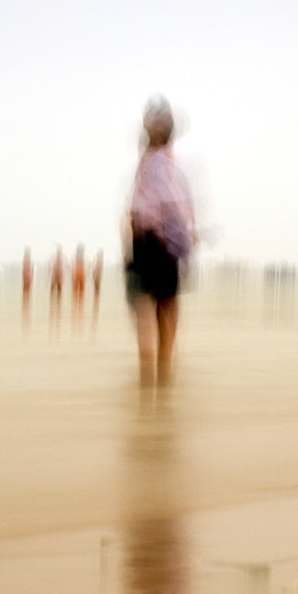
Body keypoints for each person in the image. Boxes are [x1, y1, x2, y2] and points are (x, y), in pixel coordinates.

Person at [124, 96, 196, 385]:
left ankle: (159, 376)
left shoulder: (164, 162)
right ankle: (157, 378)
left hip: (161, 239)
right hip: (152, 240)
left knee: (161, 308)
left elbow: (176, 207)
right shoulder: (154, 163)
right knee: (154, 308)